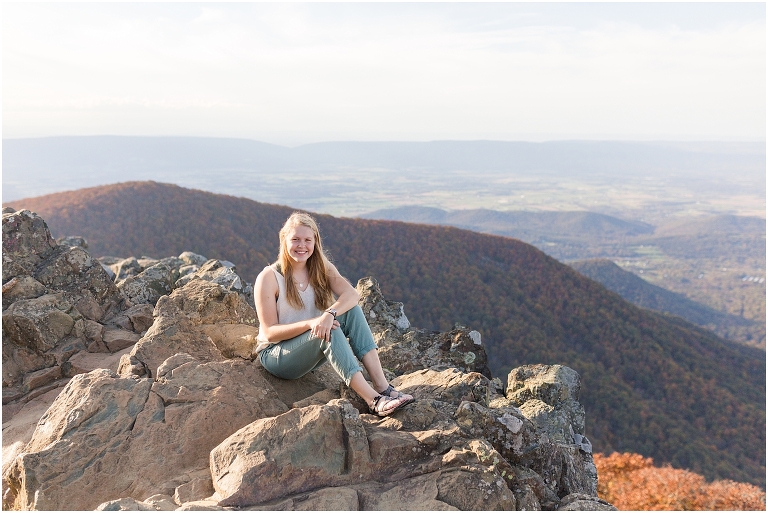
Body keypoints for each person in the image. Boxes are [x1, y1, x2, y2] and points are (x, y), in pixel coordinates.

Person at [254, 212, 414, 416]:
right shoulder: (269, 277)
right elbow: (270, 333)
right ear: (284, 240)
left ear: (315, 242)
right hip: (277, 356)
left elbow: (352, 295)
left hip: (308, 347)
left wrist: (329, 313)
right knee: (329, 332)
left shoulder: (321, 268)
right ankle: (373, 400)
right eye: (295, 239)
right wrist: (311, 324)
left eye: (307, 240)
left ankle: (383, 387)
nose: (301, 245)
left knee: (351, 312)